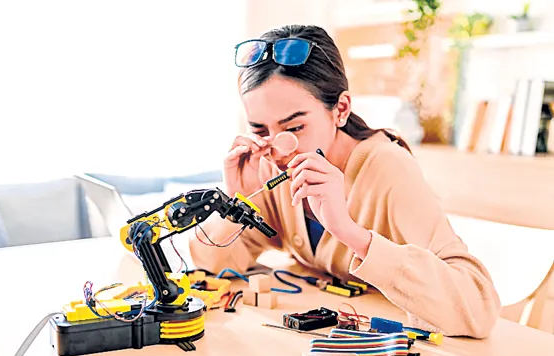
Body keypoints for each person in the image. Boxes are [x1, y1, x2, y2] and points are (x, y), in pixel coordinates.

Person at [188, 24, 501, 338]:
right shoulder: (268, 166)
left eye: (294, 128)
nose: (278, 148)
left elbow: (478, 307)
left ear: (340, 109)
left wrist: (350, 233)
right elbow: (211, 266)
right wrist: (236, 205)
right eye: (259, 130)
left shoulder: (387, 168)